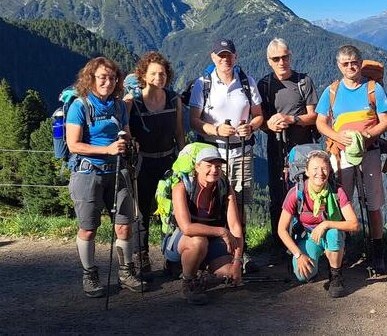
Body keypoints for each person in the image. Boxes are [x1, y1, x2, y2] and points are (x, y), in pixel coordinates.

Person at [66, 57, 145, 297]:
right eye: (102, 78)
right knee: (88, 228)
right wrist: (107, 150)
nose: (108, 82)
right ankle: (89, 274)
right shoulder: (80, 106)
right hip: (88, 172)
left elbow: (126, 133)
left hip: (118, 171)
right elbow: (74, 145)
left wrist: (130, 144)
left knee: (124, 226)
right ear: (90, 79)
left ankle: (125, 271)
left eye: (112, 78)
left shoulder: (119, 106)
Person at [315, 45, 387, 273]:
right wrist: (337, 136)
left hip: (369, 152)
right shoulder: (332, 91)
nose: (350, 67)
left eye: (354, 62)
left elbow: (386, 120)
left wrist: (368, 135)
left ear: (360, 62)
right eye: (345, 63)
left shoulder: (373, 88)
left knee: (373, 203)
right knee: (342, 202)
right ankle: (342, 250)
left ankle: (377, 253)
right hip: (341, 154)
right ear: (339, 66)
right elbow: (320, 122)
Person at [188, 39, 263, 272]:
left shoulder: (247, 82)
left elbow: (259, 115)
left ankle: (241, 252)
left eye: (228, 55)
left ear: (235, 57)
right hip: (212, 154)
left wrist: (250, 127)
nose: (225, 59)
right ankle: (216, 251)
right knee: (212, 202)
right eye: (220, 55)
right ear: (213, 57)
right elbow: (194, 121)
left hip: (242, 151)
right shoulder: (203, 84)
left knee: (239, 204)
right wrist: (217, 130)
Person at [124, 51, 185, 271]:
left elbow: (179, 131)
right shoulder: (133, 102)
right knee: (141, 211)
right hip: (143, 163)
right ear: (144, 76)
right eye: (154, 74)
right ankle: (142, 257)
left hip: (168, 161)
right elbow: (125, 130)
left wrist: (183, 158)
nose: (159, 77)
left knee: (170, 210)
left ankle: (171, 254)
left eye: (163, 73)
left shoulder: (174, 99)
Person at [258, 38, 319, 254]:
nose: (281, 61)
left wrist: (292, 120)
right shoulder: (264, 86)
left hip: (303, 152)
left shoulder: (304, 81)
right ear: (269, 61)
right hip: (276, 148)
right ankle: (280, 242)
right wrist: (269, 124)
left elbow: (315, 117)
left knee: (306, 195)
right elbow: (259, 120)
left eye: (285, 57)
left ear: (290, 56)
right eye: (276, 59)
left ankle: (307, 240)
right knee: (278, 195)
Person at [164, 146, 243, 305]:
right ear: (197, 167)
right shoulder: (181, 188)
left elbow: (235, 227)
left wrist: (237, 262)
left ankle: (203, 274)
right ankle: (189, 283)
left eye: (218, 166)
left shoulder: (224, 188)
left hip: (211, 242)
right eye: (208, 165)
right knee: (199, 241)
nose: (214, 170)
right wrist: (221, 231)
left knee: (229, 274)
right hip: (181, 242)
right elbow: (186, 228)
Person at [277, 150, 359, 297]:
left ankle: (335, 277)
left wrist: (326, 224)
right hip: (309, 236)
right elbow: (281, 230)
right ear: (307, 171)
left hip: (330, 233)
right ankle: (323, 259)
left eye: (324, 168)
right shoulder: (296, 194)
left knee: (333, 233)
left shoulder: (336, 191)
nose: (320, 173)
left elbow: (354, 224)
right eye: (315, 169)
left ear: (329, 171)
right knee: (303, 276)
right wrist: (298, 255)